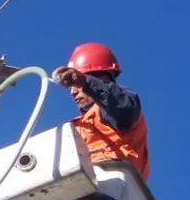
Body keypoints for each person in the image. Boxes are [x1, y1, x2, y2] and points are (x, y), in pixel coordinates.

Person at [52, 42, 151, 182]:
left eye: (75, 84)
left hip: (114, 184)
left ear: (100, 78)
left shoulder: (118, 103)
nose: (73, 92)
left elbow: (123, 111)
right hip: (83, 190)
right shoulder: (80, 125)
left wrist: (86, 83)